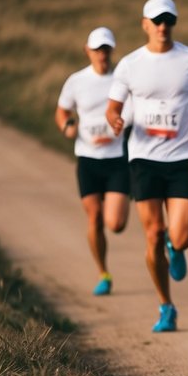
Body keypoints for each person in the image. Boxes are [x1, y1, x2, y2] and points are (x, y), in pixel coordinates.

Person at [107, 0, 188, 333]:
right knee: (154, 233)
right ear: (144, 23)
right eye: (156, 20)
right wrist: (115, 121)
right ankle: (166, 306)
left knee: (182, 237)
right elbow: (113, 107)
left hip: (183, 155)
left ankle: (178, 246)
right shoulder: (129, 64)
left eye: (168, 20)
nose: (162, 26)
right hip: (144, 157)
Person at [56, 27, 132, 296]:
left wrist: (122, 126)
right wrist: (67, 126)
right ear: (87, 51)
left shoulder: (121, 82)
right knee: (95, 218)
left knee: (116, 223)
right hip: (88, 158)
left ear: (112, 51)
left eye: (106, 49)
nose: (102, 54)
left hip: (116, 158)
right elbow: (62, 109)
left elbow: (133, 112)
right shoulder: (76, 81)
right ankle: (104, 273)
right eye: (97, 49)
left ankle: (121, 210)